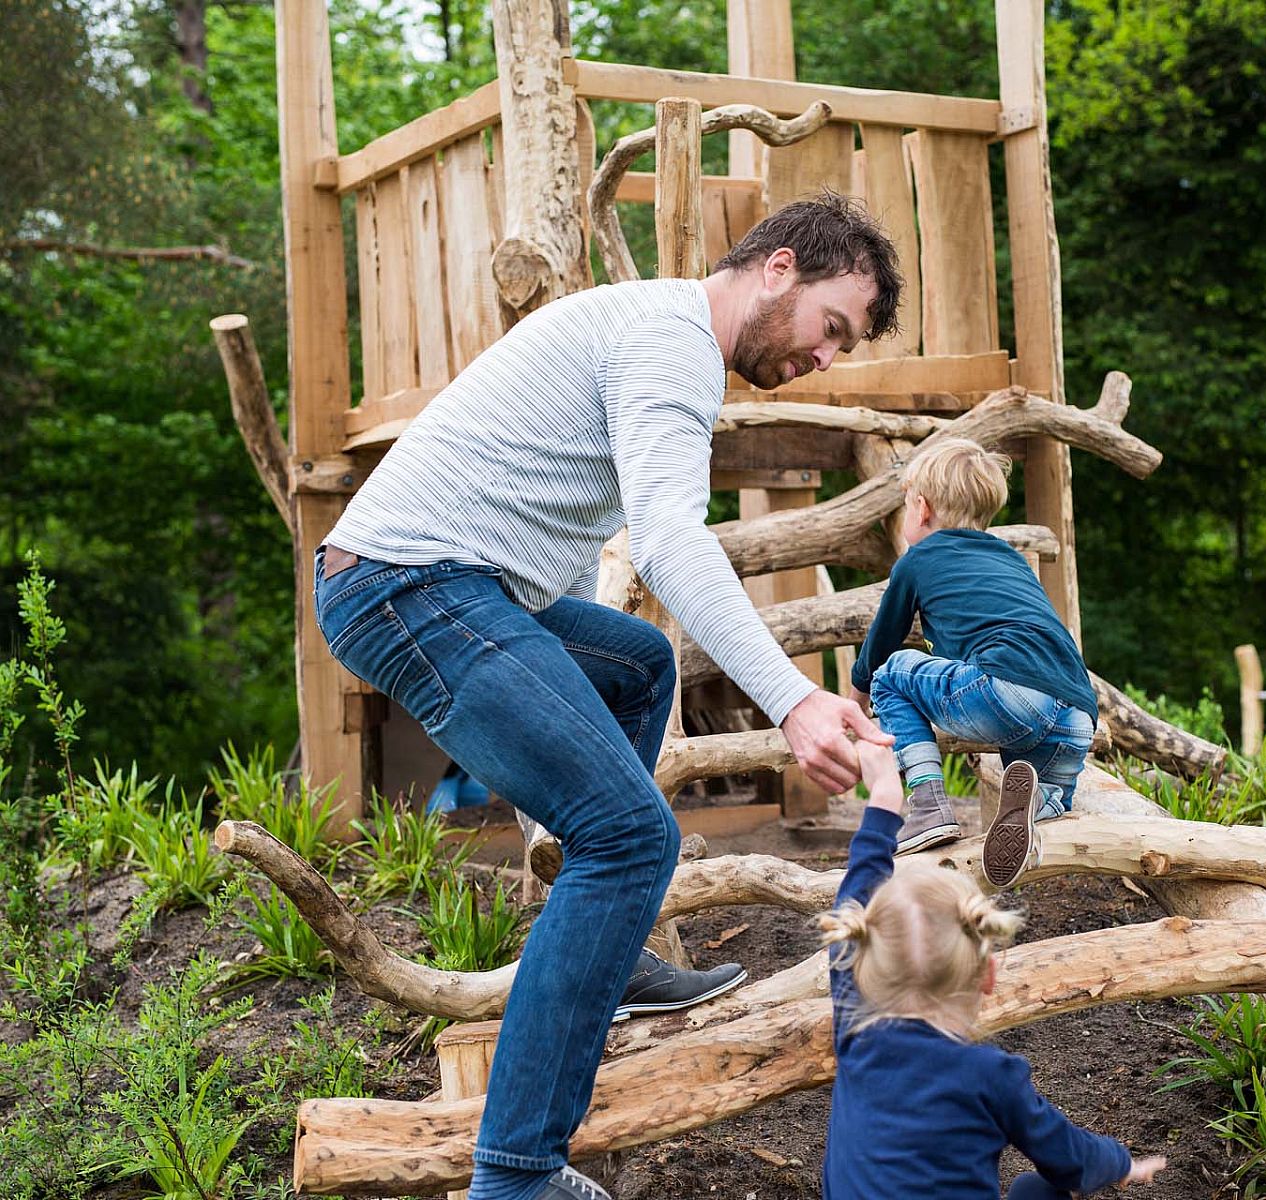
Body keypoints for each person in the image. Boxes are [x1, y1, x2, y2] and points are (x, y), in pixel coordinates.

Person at [313, 193, 901, 1200]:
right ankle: (517, 1175)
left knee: (632, 661)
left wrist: (561, 746)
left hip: (458, 585)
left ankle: (608, 949)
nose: (825, 359)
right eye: (830, 327)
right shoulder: (671, 342)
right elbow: (670, 543)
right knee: (633, 838)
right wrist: (795, 702)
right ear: (778, 270)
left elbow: (570, 532)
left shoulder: (653, 329)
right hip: (410, 584)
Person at [819, 738, 1167, 1198]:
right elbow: (1071, 1161)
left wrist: (884, 796)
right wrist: (1121, 1163)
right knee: (1035, 1191)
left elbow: (855, 892)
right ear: (988, 973)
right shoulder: (990, 1075)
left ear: (862, 952)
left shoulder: (855, 1032)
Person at [848, 437, 1098, 888]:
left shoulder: (919, 559)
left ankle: (927, 806)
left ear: (921, 510)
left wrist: (854, 705)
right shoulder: (1010, 560)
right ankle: (1040, 801)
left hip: (1003, 691)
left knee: (892, 674)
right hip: (1077, 713)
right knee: (1044, 787)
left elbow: (878, 649)